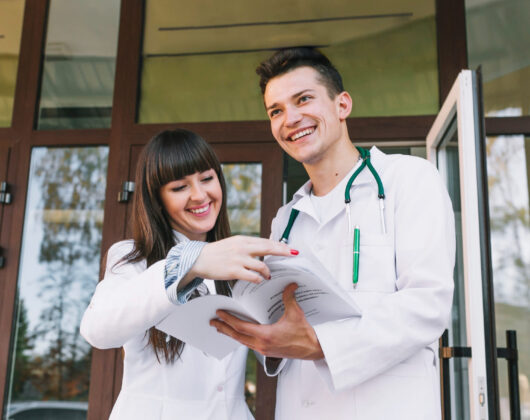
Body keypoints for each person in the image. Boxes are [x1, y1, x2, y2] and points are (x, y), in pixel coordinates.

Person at [210, 48, 456, 419]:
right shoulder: (286, 219)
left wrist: (319, 343)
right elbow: (286, 321)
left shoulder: (408, 179)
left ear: (342, 105)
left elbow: (427, 305)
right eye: (275, 111)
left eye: (303, 99)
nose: (290, 119)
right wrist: (263, 335)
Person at [80, 129, 296, 420]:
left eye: (207, 179)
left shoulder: (239, 265)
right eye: (180, 187)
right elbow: (99, 330)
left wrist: (279, 338)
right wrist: (189, 262)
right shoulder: (132, 257)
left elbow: (268, 350)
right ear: (157, 200)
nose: (200, 195)